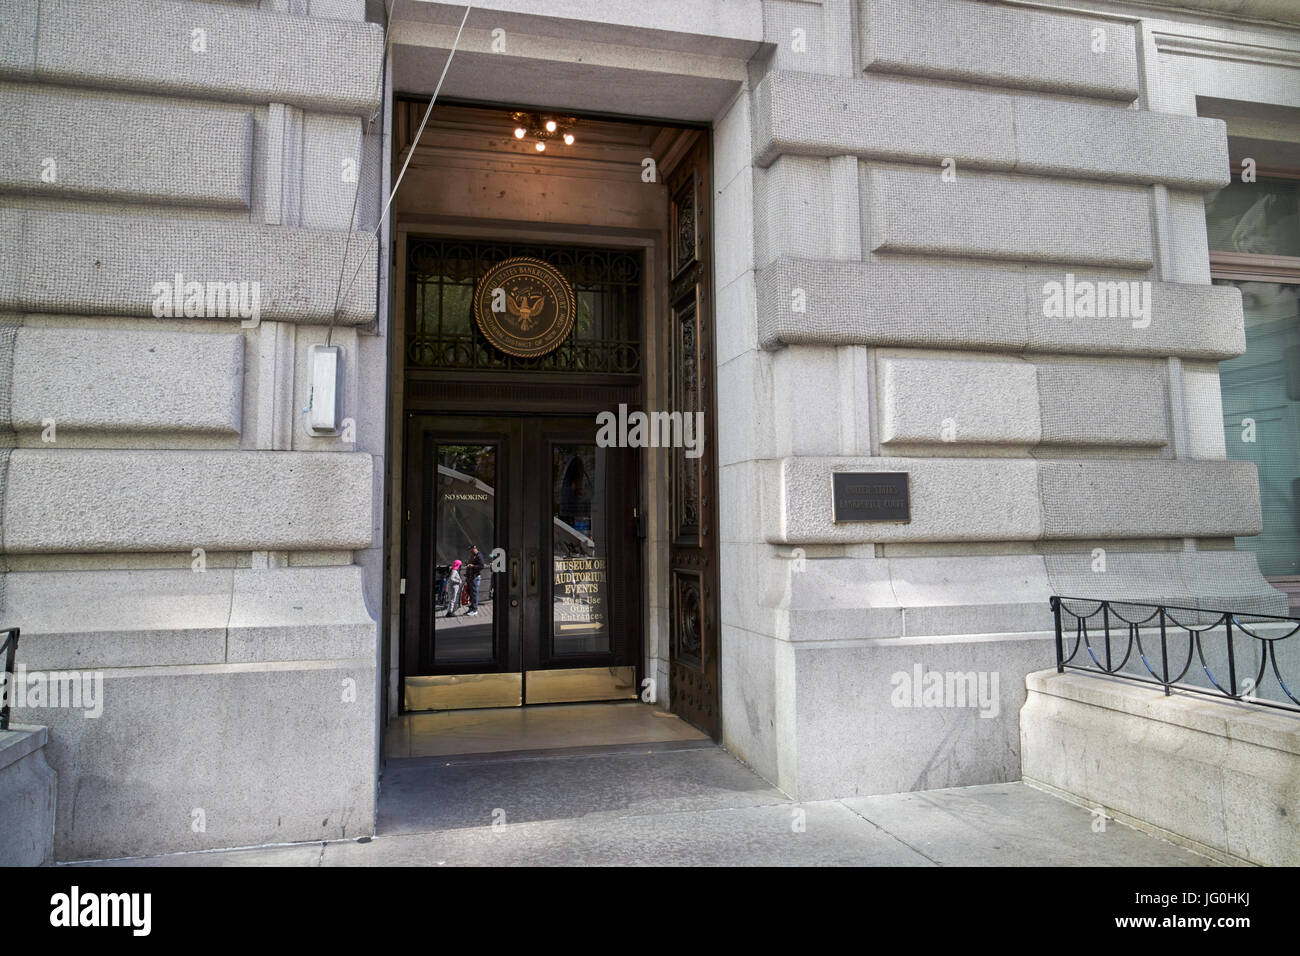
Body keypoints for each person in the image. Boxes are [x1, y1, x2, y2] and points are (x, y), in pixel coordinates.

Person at [464, 545, 486, 616]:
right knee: (471, 593)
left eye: (471, 550)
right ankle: (471, 608)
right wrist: (468, 564)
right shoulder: (473, 555)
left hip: (475, 577)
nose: (470, 552)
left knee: (474, 593)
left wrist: (473, 566)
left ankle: (474, 610)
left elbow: (482, 566)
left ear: (475, 548)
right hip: (470, 577)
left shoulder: (479, 556)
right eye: (469, 550)